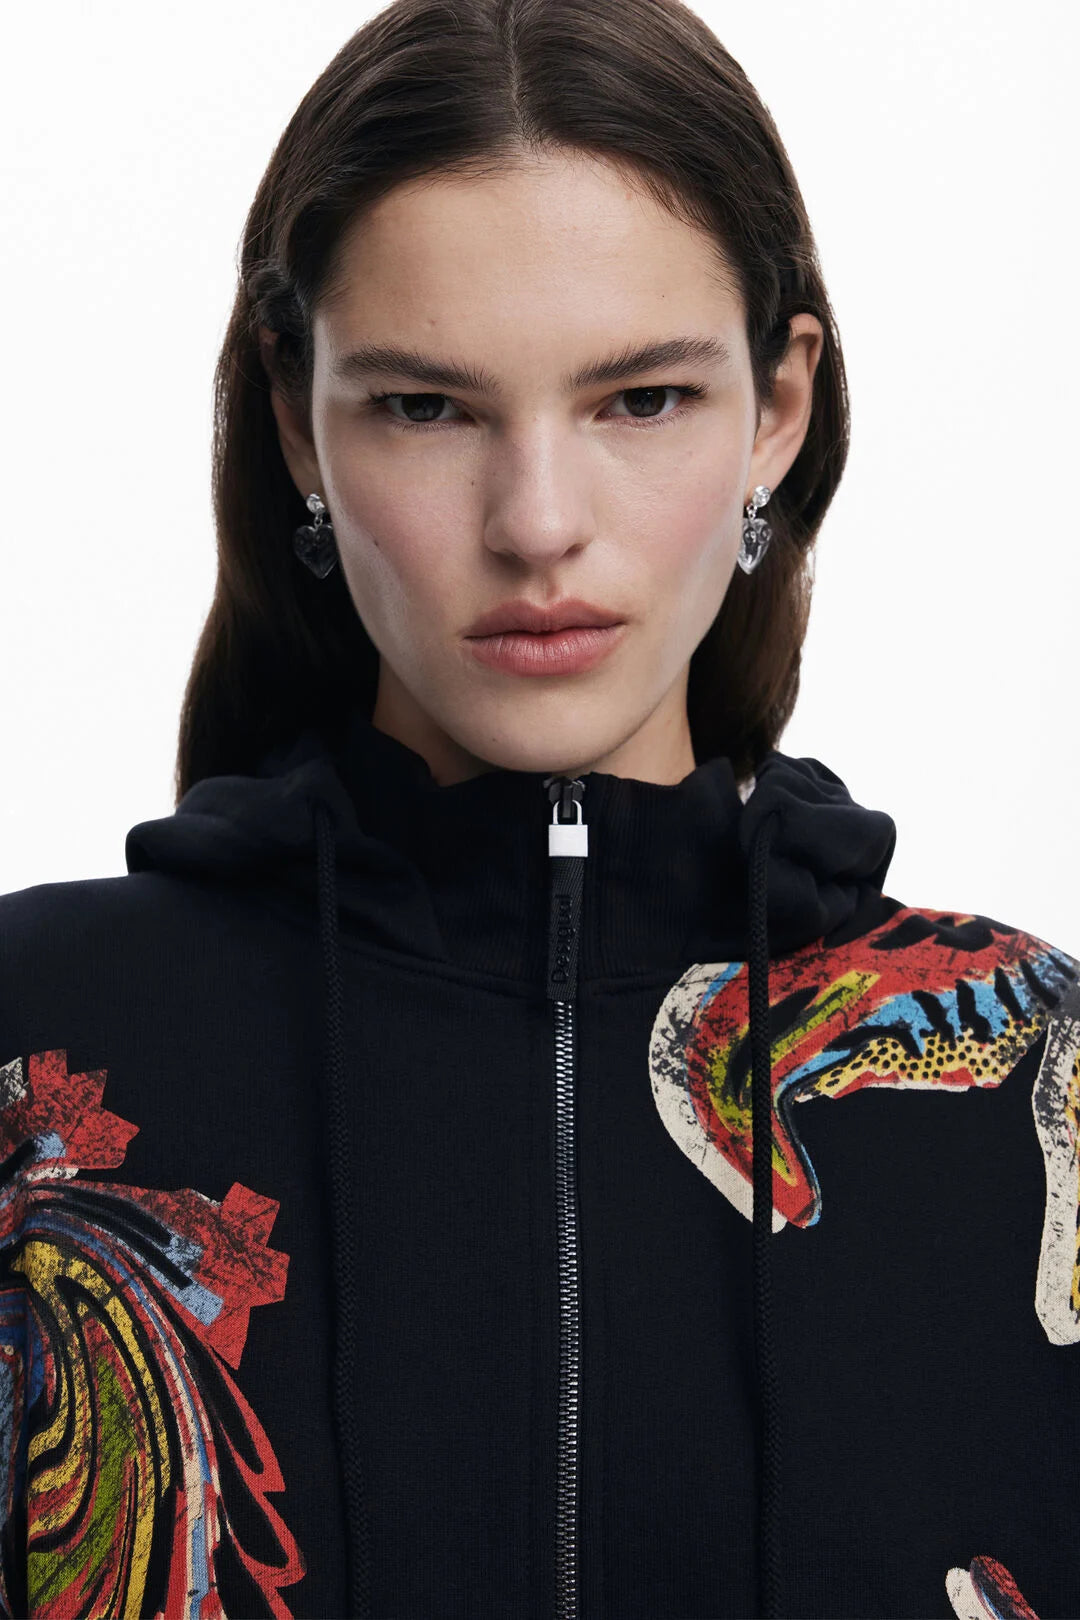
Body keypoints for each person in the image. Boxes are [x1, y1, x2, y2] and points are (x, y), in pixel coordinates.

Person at [1, 0, 1076, 1615]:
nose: (537, 523)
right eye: (425, 407)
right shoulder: (36, 1056)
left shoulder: (1039, 1082)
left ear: (778, 408)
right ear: (299, 420)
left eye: (641, 401)